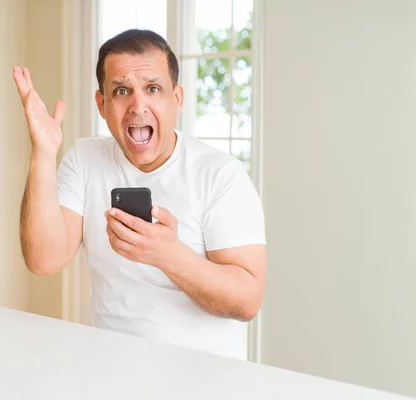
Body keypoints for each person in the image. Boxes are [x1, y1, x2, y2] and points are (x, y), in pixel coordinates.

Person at [13, 29, 266, 360]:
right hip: (109, 369)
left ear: (177, 99)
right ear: (102, 105)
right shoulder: (85, 159)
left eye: (153, 88)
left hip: (204, 379)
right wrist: (43, 153)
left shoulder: (220, 175)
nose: (138, 105)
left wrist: (168, 255)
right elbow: (43, 259)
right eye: (121, 90)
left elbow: (247, 301)